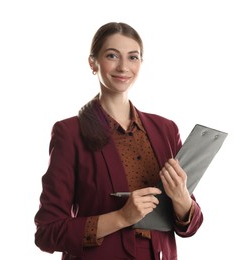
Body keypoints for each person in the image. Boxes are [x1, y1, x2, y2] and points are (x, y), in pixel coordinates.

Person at [34, 22, 203, 260]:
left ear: (141, 63)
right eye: (112, 55)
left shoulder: (165, 129)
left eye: (132, 57)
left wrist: (182, 199)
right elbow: (47, 232)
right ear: (93, 63)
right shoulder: (69, 132)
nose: (123, 66)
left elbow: (190, 227)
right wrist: (122, 218)